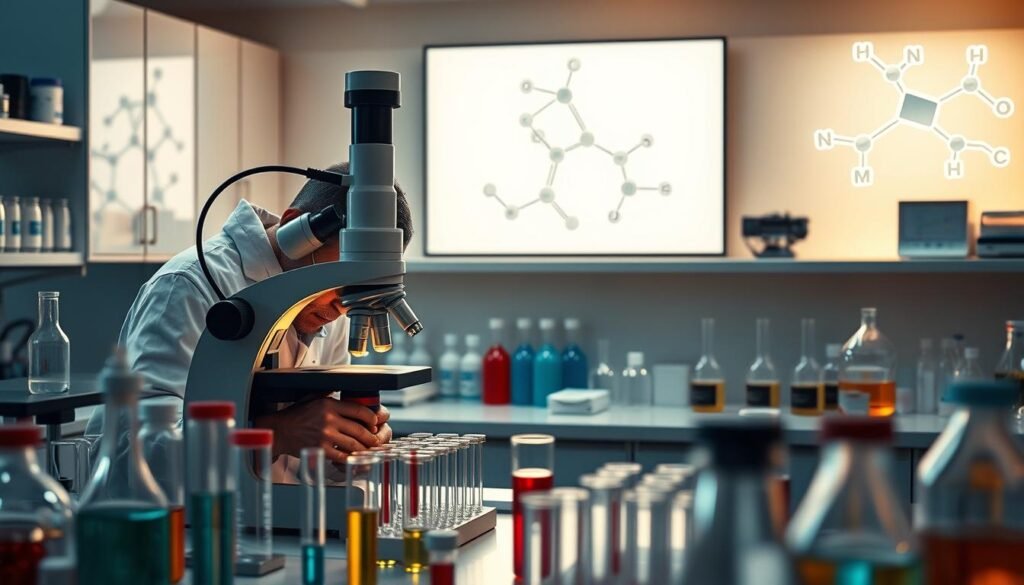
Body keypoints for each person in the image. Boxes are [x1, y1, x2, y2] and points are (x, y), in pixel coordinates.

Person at [91, 162, 413, 478]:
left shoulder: (328, 307)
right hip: (164, 523)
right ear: (296, 229)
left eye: (357, 295)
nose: (342, 309)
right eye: (338, 284)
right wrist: (276, 433)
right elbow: (139, 451)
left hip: (264, 520)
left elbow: (302, 463)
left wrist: (346, 450)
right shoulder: (190, 284)